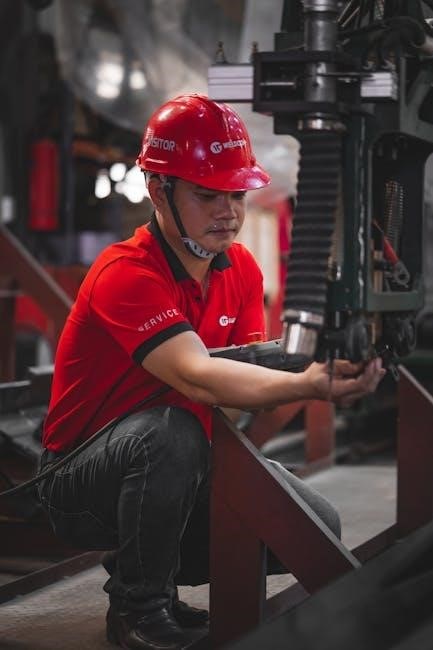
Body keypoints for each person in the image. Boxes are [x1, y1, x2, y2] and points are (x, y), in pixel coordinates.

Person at [38, 94, 385, 650]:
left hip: (177, 463)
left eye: (237, 195)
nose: (228, 212)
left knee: (312, 525)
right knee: (169, 431)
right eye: (207, 195)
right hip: (79, 481)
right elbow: (199, 377)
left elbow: (241, 371)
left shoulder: (240, 268)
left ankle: (146, 569)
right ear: (158, 191)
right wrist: (309, 384)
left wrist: (320, 358)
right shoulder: (125, 272)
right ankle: (137, 607)